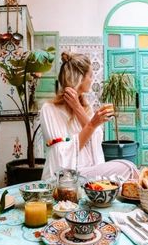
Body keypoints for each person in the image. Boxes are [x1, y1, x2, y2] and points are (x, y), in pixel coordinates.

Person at [40, 51, 139, 181]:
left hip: (89, 171)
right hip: (65, 177)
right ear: (80, 77)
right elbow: (60, 155)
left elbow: (95, 140)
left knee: (129, 169)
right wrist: (92, 124)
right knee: (128, 168)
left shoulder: (85, 107)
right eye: (90, 76)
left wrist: (78, 108)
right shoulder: (49, 109)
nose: (92, 80)